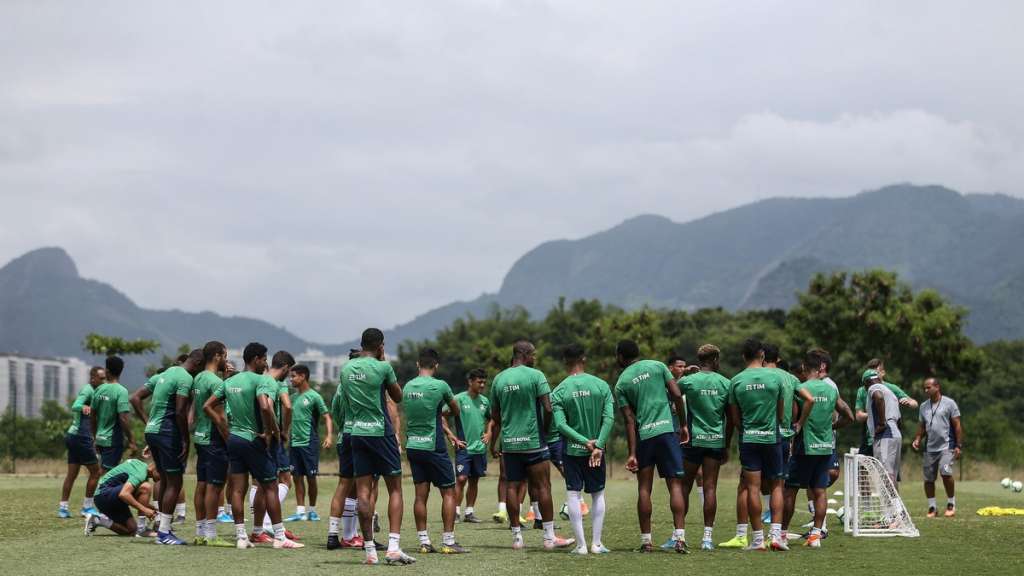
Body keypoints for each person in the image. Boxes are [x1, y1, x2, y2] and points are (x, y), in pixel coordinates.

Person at [203, 341, 303, 549]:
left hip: (234, 440)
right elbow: (265, 406)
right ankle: (279, 537)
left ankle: (241, 537)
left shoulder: (230, 381)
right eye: (264, 359)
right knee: (271, 487)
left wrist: (225, 428)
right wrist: (272, 431)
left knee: (238, 489)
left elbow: (207, 405)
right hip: (254, 440)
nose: (265, 363)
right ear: (256, 359)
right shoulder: (262, 380)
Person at [489, 340, 574, 551]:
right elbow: (548, 408)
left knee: (511, 486)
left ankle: (517, 538)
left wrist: (498, 438)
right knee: (543, 486)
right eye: (533, 354)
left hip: (509, 444)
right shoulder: (536, 376)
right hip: (534, 442)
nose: (535, 358)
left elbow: (495, 415)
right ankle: (548, 538)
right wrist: (544, 431)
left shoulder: (499, 379)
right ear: (525, 354)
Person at [345, 328, 414, 565]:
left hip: (357, 433)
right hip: (380, 432)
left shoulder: (346, 369)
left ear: (361, 344)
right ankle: (393, 547)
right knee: (395, 488)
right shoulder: (383, 367)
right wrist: (383, 362)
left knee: (363, 491)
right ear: (381, 346)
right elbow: (398, 396)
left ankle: (369, 551)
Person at [614, 339, 689, 553]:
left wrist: (631, 454)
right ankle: (680, 539)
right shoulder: (658, 366)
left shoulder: (621, 383)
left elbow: (629, 420)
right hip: (667, 432)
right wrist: (683, 425)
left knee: (644, 488)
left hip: (645, 436)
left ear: (620, 356)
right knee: (675, 485)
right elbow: (676, 394)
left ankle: (646, 542)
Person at [781, 350, 854, 549]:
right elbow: (849, 415)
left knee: (791, 491)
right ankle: (815, 536)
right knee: (820, 491)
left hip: (804, 447)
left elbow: (793, 417)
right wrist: (831, 427)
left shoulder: (801, 388)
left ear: (804, 368)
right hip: (825, 447)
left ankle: (782, 534)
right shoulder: (831, 390)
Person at [130, 348, 203, 545]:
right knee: (175, 482)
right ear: (197, 364)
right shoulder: (185, 378)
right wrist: (186, 440)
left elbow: (135, 398)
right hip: (167, 433)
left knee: (164, 479)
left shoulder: (164, 374)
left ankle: (163, 526)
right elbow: (180, 411)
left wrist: (148, 421)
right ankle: (163, 534)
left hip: (153, 431)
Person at [402, 348, 467, 554]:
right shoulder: (441, 386)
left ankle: (424, 542)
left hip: (413, 445)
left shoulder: (408, 386)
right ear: (436, 366)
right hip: (434, 445)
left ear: (417, 364)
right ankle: (448, 542)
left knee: (420, 495)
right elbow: (455, 409)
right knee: (448, 492)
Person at [551, 343, 614, 555]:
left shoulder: (559, 390)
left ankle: (581, 546)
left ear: (565, 361)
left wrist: (584, 442)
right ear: (584, 359)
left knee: (573, 494)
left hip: (572, 452)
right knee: (598, 494)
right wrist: (597, 445)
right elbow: (609, 418)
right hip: (596, 452)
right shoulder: (601, 385)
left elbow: (560, 425)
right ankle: (596, 544)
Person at [726, 338, 785, 551]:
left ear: (743, 356)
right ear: (762, 355)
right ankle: (776, 536)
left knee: (752, 487)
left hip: (749, 439)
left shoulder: (736, 381)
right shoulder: (775, 378)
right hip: (772, 437)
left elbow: (734, 418)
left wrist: (746, 430)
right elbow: (780, 411)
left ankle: (758, 540)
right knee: (777, 484)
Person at [678, 344, 732, 551]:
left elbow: (671, 392)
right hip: (715, 440)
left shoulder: (688, 381)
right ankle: (707, 538)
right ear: (716, 360)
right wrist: (726, 445)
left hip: (693, 440)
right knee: (710, 487)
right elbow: (731, 418)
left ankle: (679, 535)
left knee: (684, 486)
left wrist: (684, 375)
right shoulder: (725, 383)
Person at [250, 351, 297, 543]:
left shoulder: (259, 378)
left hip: (254, 434)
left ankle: (258, 528)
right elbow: (287, 406)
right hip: (271, 436)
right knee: (283, 479)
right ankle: (269, 524)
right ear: (285, 367)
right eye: (290, 371)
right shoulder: (277, 382)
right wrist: (281, 431)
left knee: (259, 482)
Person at [190, 341, 233, 546]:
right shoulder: (216, 383)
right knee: (215, 487)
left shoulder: (198, 378)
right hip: (214, 438)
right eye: (225, 355)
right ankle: (211, 534)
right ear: (217, 356)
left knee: (202, 484)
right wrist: (228, 439)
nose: (226, 359)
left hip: (199, 436)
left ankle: (200, 532)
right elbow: (222, 417)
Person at [285, 364, 333, 522]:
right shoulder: (291, 398)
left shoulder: (314, 396)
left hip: (309, 442)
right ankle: (300, 512)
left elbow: (326, 416)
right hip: (294, 443)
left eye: (293, 376)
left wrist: (329, 435)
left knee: (311, 478)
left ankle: (312, 511)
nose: (290, 379)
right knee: (297, 477)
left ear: (303, 376)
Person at [443, 368, 490, 523]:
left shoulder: (485, 401)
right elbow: (442, 416)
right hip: (463, 447)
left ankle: (469, 512)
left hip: (480, 448)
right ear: (470, 382)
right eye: (479, 381)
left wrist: (489, 432)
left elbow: (493, 419)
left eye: (484, 382)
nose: (482, 385)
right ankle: (455, 512)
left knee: (474, 479)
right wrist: (451, 435)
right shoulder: (459, 399)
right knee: (461, 478)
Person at [912, 378, 963, 517]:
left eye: (928, 387)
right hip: (930, 448)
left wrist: (958, 445)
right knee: (928, 479)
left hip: (947, 446)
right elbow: (922, 426)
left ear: (937, 387)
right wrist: (917, 438)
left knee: (945, 472)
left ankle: (951, 504)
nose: (926, 390)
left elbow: (957, 425)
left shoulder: (949, 403)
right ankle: (932, 507)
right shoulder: (923, 406)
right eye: (925, 388)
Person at [59, 366, 105, 519]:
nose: (103, 380)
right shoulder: (88, 390)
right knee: (96, 472)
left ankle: (63, 508)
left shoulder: (96, 391)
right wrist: (84, 406)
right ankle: (87, 508)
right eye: (101, 378)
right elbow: (75, 405)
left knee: (72, 474)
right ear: (93, 379)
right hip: (80, 436)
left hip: (72, 436)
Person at [855, 359, 917, 457]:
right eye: (870, 371)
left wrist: (909, 403)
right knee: (862, 470)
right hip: (869, 438)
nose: (872, 374)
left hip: (887, 434)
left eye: (876, 371)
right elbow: (858, 416)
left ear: (882, 373)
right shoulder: (862, 390)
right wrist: (875, 415)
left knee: (887, 469)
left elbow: (914, 403)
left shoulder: (891, 387)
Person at [85, 458, 158, 536]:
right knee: (146, 487)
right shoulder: (141, 472)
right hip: (103, 494)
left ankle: (98, 520)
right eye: (163, 474)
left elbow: (135, 499)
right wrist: (145, 509)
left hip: (107, 498)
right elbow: (124, 494)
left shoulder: (142, 469)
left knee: (131, 530)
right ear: (155, 468)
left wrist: (154, 509)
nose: (164, 478)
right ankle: (142, 529)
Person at [92, 357, 135, 474]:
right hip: (112, 441)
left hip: (100, 439)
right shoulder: (121, 391)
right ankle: (96, 493)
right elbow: (123, 418)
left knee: (108, 472)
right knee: (107, 474)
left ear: (107, 371)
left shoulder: (99, 389)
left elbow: (92, 416)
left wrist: (95, 437)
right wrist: (131, 440)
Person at [863, 369, 902, 485]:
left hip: (886, 434)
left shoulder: (873, 387)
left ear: (866, 382)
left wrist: (881, 423)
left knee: (885, 474)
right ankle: (894, 503)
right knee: (891, 474)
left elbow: (878, 397)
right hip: (895, 433)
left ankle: (891, 503)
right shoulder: (890, 392)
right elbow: (900, 418)